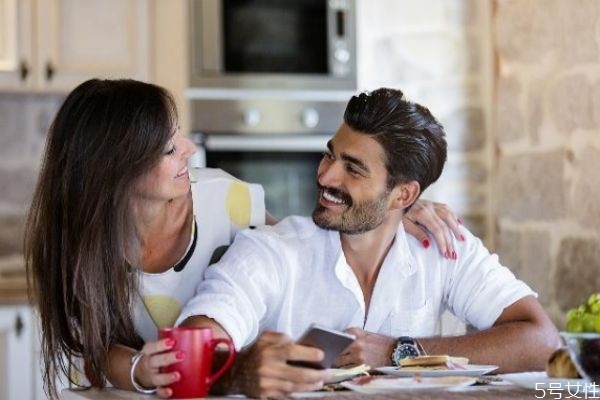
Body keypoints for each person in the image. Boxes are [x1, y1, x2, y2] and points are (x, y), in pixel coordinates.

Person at [24, 79, 463, 399]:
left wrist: (395, 209)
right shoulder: (78, 242)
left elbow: (303, 240)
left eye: (178, 131)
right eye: (167, 147)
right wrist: (140, 370)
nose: (189, 148)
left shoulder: (225, 200)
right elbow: (94, 349)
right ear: (115, 168)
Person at [179, 88, 562, 399]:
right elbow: (190, 349)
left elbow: (543, 341)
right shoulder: (272, 251)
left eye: (353, 168)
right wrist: (239, 373)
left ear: (402, 195)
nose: (326, 175)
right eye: (330, 154)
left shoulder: (442, 246)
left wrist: (401, 350)